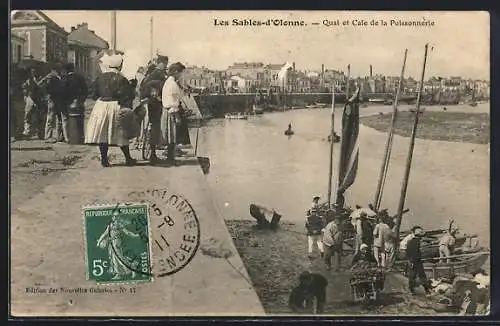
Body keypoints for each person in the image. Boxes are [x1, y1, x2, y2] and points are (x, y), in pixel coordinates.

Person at [84, 53, 138, 167]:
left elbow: (93, 94)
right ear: (119, 66)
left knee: (103, 133)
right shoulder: (121, 78)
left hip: (101, 106)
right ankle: (128, 159)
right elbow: (127, 95)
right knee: (120, 133)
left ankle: (104, 160)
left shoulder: (100, 77)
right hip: (115, 105)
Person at [139, 54, 169, 163]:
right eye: (165, 63)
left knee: (153, 126)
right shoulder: (159, 73)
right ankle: (153, 154)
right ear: (160, 63)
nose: (165, 65)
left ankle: (153, 151)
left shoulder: (150, 73)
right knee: (156, 126)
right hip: (156, 103)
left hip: (150, 101)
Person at [161, 62, 187, 164]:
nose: (181, 75)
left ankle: (170, 157)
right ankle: (170, 158)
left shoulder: (169, 82)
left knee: (169, 135)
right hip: (171, 110)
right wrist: (177, 115)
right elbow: (173, 101)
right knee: (172, 135)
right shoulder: (172, 84)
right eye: (181, 73)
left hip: (167, 110)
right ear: (176, 72)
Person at [60, 62, 88, 143]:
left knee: (65, 120)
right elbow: (85, 90)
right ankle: (80, 137)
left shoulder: (65, 79)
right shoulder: (80, 78)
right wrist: (82, 99)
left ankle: (68, 138)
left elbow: (63, 91)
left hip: (67, 102)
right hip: (79, 102)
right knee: (80, 120)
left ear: (66, 70)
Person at [406, 226, 432, 295]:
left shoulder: (409, 242)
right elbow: (417, 252)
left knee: (412, 276)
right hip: (417, 261)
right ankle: (427, 291)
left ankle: (411, 291)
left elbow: (407, 252)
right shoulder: (419, 242)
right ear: (421, 236)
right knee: (422, 276)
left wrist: (409, 260)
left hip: (411, 260)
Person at [41, 63, 63, 143]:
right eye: (58, 69)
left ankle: (58, 136)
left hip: (57, 99)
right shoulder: (50, 77)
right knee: (51, 117)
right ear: (54, 70)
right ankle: (48, 136)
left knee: (58, 118)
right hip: (52, 99)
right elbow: (43, 86)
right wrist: (47, 95)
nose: (59, 71)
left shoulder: (56, 77)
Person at [21, 68, 43, 139]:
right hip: (30, 99)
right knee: (27, 115)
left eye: (34, 71)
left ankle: (38, 132)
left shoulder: (40, 79)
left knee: (38, 116)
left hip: (37, 99)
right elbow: (24, 89)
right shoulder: (28, 80)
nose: (33, 73)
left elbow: (41, 89)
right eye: (32, 72)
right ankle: (27, 131)